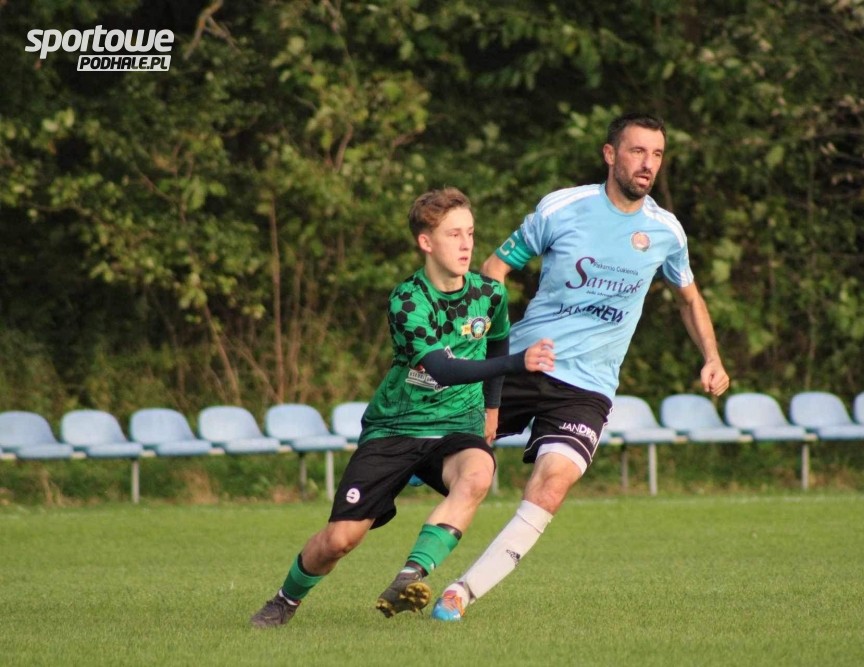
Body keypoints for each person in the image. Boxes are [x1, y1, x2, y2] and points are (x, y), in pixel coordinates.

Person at [429, 113, 730, 621]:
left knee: (552, 484)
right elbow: (495, 269)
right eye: (637, 151)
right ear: (610, 154)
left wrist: (712, 357)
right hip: (526, 362)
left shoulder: (665, 232)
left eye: (657, 154)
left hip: (588, 387)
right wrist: (483, 345)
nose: (648, 164)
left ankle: (462, 592)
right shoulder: (562, 208)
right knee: (440, 453)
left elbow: (689, 298)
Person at [249, 187, 556, 628]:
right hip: (397, 428)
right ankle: (284, 600)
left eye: (470, 233)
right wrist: (517, 364)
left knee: (477, 473)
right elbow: (442, 369)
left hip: (457, 426)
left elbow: (496, 342)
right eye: (453, 234)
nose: (467, 244)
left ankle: (411, 575)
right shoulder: (407, 300)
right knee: (340, 540)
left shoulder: (489, 293)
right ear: (426, 242)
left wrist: (492, 409)